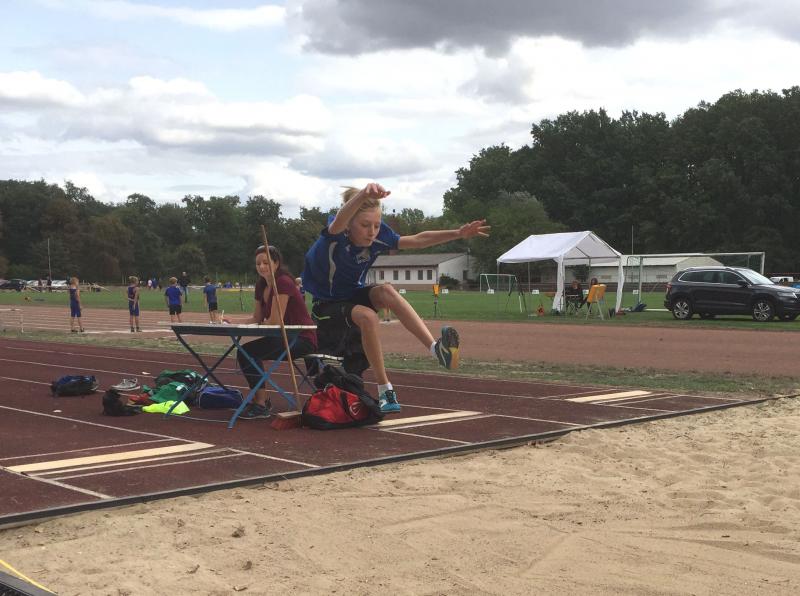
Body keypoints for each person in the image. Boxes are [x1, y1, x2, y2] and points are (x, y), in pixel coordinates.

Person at [301, 182, 489, 414]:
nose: (372, 231)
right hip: (326, 305)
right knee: (368, 317)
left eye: (377, 225)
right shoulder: (335, 237)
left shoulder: (379, 236)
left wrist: (458, 233)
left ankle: (436, 350)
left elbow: (417, 240)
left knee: (387, 291)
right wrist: (363, 194)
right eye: (365, 225)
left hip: (352, 295)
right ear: (349, 225)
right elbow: (341, 218)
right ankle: (385, 391)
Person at [225, 245, 317, 420]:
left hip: (301, 339)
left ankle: (261, 404)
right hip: (282, 338)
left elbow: (275, 321)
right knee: (246, 352)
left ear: (276, 263)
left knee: (247, 352)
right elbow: (257, 318)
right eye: (258, 263)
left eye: (266, 262)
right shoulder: (261, 286)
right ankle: (261, 400)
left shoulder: (283, 282)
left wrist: (266, 322)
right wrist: (233, 322)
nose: (261, 267)